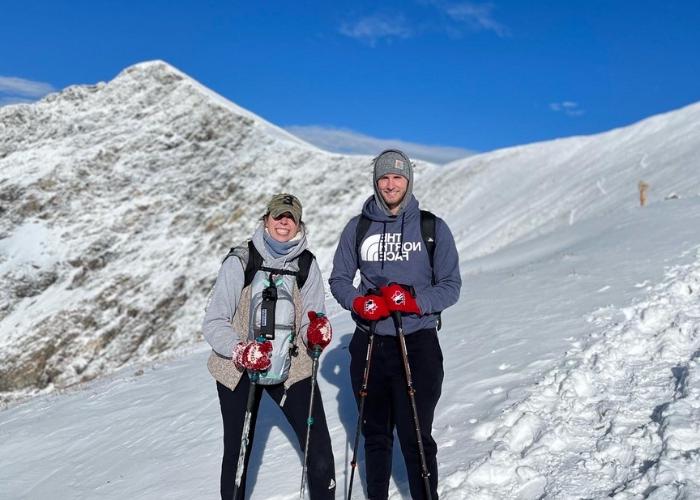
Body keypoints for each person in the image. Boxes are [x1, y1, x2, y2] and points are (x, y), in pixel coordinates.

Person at [329, 149, 461, 499]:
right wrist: (360, 302)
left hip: (417, 343)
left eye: (397, 177)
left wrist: (415, 301)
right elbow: (340, 279)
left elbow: (450, 286)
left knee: (416, 436)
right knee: (374, 436)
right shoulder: (358, 227)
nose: (390, 184)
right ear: (376, 182)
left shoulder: (431, 227)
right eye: (384, 178)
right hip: (369, 342)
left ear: (408, 181)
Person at [203, 193, 336, 500]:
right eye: (278, 216)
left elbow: (312, 318)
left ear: (299, 224)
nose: (284, 222)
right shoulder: (241, 260)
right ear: (266, 220)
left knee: (319, 452)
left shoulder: (306, 265)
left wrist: (315, 331)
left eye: (290, 217)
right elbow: (214, 322)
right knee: (237, 454)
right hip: (237, 369)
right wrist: (240, 350)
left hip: (292, 367)